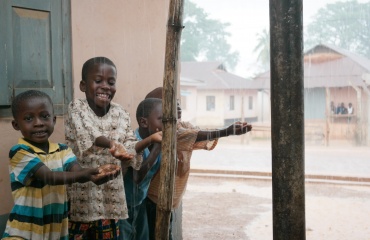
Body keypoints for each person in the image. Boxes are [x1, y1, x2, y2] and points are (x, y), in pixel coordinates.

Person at [2, 90, 120, 240]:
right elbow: (49, 177)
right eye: (29, 118)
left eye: (45, 117)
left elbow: (77, 172)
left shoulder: (63, 150)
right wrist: (87, 174)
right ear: (16, 125)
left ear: (54, 120)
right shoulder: (19, 152)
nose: (38, 123)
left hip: (55, 230)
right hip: (25, 231)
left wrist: (96, 174)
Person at [65, 57, 162, 240]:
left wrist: (150, 139)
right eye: (98, 81)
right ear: (83, 86)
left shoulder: (120, 113)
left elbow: (130, 144)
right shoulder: (76, 108)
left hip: (110, 198)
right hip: (81, 195)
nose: (106, 86)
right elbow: (88, 134)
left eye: (111, 82)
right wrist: (112, 145)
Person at [144, 87, 252, 240]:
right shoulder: (166, 132)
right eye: (171, 104)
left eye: (178, 102)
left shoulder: (183, 126)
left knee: (165, 232)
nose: (178, 106)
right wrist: (225, 132)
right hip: (155, 198)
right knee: (158, 233)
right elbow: (192, 135)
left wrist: (224, 131)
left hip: (171, 199)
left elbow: (197, 133)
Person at [120, 98, 163, 240]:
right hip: (122, 206)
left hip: (139, 202)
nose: (166, 126)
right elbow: (137, 177)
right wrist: (156, 149)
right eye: (161, 120)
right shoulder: (133, 142)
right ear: (144, 122)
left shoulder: (162, 143)